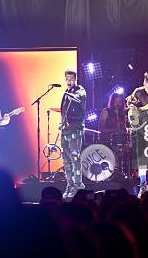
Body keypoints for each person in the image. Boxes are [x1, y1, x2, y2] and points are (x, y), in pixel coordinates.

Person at [60, 69, 87, 199]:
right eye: (67, 79)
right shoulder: (66, 92)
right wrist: (62, 122)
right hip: (66, 129)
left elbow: (80, 98)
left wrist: (73, 96)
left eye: (71, 79)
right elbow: (64, 111)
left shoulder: (80, 90)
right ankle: (69, 184)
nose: (69, 81)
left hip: (75, 129)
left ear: (75, 79)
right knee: (65, 157)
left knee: (75, 156)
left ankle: (78, 184)